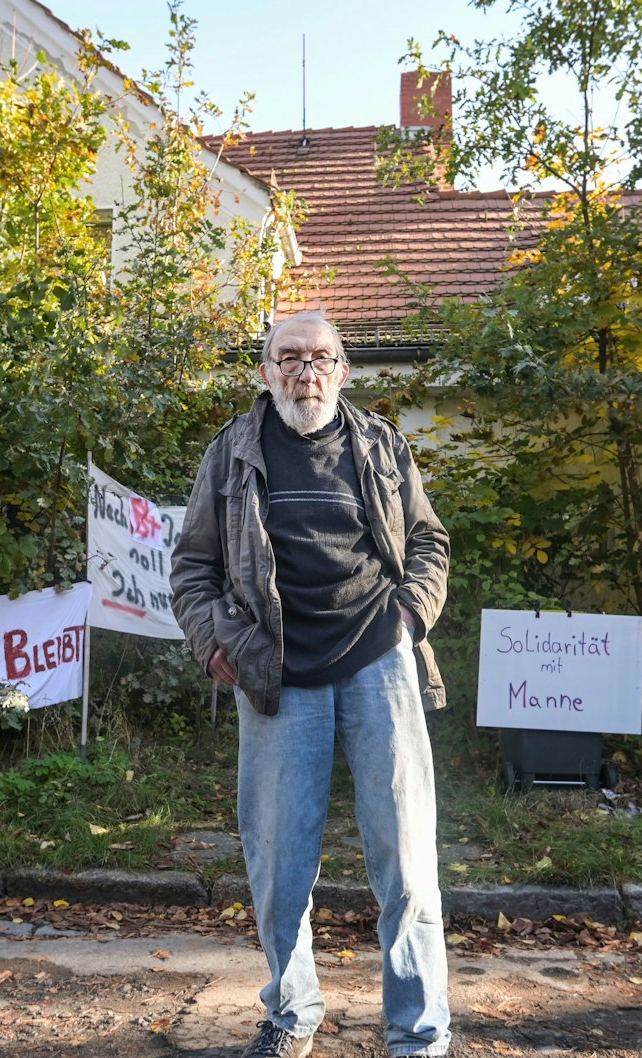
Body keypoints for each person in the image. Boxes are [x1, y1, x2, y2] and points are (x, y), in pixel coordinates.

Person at [172, 311, 453, 1058]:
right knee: (278, 859)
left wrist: (410, 613)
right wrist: (214, 641)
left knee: (407, 858)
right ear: (264, 372)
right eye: (287, 358)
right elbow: (192, 568)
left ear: (343, 370)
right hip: (276, 674)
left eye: (321, 358)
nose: (306, 372)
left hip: (379, 663)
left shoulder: (382, 445)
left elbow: (428, 540)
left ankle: (419, 1035)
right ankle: (292, 1014)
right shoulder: (231, 453)